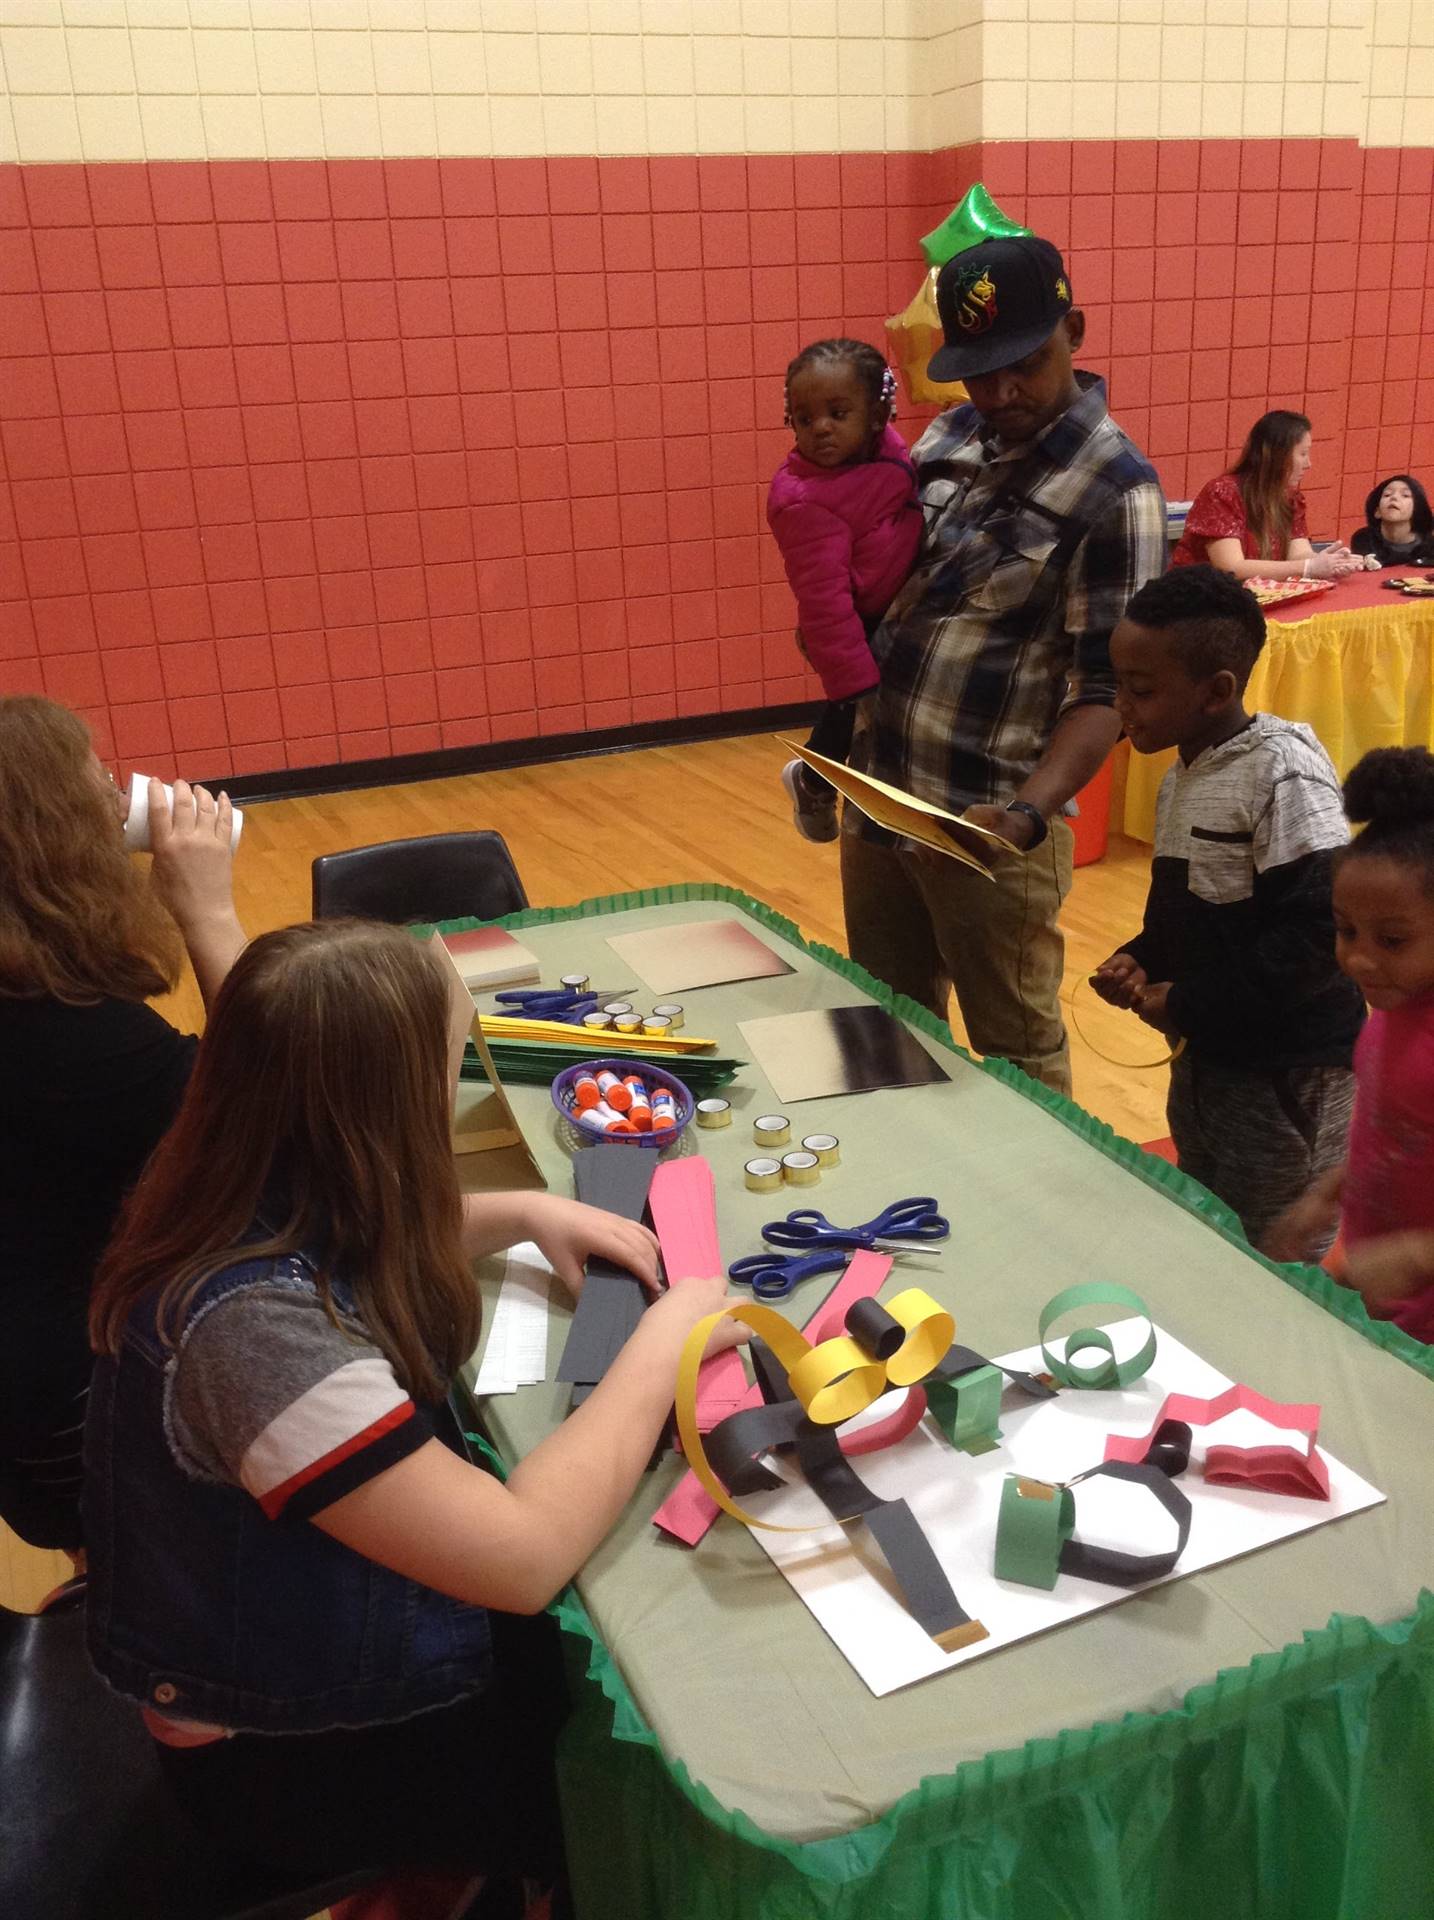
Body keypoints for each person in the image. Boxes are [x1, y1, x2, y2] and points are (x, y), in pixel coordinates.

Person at [85, 919, 739, 1904]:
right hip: (282, 1755)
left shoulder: (227, 1186)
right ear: (387, 1106)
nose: (455, 1089)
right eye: (449, 1065)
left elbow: (343, 1230)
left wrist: (521, 1212)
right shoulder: (255, 1344)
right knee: (638, 1753)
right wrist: (664, 1345)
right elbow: (520, 1560)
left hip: (289, 1649)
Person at [841, 230, 1168, 1094]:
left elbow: (1110, 692)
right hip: (882, 795)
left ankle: (1040, 1220)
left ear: (1077, 331)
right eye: (978, 370)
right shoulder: (951, 433)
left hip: (990, 825)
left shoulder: (1117, 489)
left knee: (1015, 1055)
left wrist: (1026, 815)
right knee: (886, 1024)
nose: (1001, 389)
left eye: (1024, 361)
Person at [0, 695, 245, 1555]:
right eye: (95, 786)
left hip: (33, 1365)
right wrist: (209, 910)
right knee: (145, 1563)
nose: (118, 798)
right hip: (74, 1392)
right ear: (51, 838)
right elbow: (270, 1102)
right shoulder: (60, 1032)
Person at [1091, 567, 1363, 1250]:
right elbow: (1192, 913)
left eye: (1142, 689)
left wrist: (1184, 1004)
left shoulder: (1282, 771)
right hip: (1209, 1058)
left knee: (1279, 1249)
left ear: (1217, 691)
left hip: (1286, 1073)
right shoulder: (1183, 774)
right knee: (1209, 1224)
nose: (1121, 703)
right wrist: (1142, 955)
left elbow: (1318, 936)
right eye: (1119, 682)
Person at [1263, 748, 1434, 1341]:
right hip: (1378, 1289)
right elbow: (1391, 1131)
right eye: (1346, 930)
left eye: (1391, 939)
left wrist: (1416, 1254)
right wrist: (1329, 1193)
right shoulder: (1392, 1007)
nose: (1359, 958)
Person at [768, 338, 922, 842]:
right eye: (805, 418)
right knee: (845, 720)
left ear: (878, 416)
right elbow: (823, 602)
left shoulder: (887, 452)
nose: (821, 429)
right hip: (861, 625)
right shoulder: (807, 501)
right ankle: (814, 780)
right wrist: (854, 682)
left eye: (838, 413)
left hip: (895, 607)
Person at [1170, 410, 1363, 581]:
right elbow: (1231, 567)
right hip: (1198, 602)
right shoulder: (1222, 492)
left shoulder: (1290, 498)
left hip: (1249, 599)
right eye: (1303, 454)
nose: (1308, 464)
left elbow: (1298, 553)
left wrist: (1329, 563)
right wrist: (1308, 568)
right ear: (1278, 456)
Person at [1349, 473, 1434, 569]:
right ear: (1377, 511)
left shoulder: (1430, 538)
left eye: (1405, 495)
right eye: (1387, 495)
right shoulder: (1364, 539)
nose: (1394, 498)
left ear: (1417, 510)